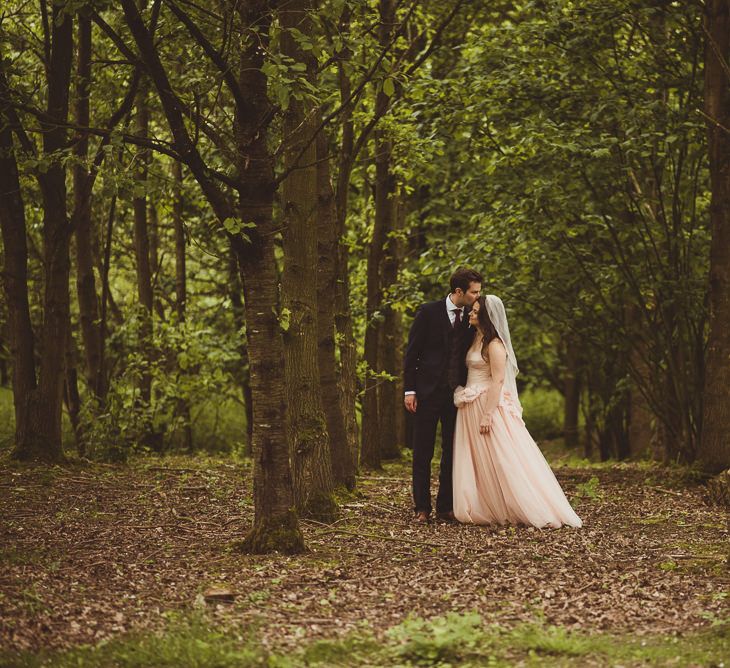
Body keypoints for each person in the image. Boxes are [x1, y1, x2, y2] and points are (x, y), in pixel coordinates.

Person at [452, 295, 582, 528]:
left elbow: (498, 380)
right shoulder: (474, 339)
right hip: (469, 404)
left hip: (486, 405)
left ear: (485, 316)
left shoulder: (495, 344)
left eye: (475, 311)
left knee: (502, 457)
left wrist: (488, 413)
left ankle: (523, 504)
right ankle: (484, 503)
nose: (470, 314)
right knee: (477, 459)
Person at [404, 267, 482, 523]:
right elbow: (412, 354)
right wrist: (410, 390)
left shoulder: (474, 317)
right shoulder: (428, 312)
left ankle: (445, 507)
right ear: (459, 291)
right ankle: (421, 508)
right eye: (473, 292)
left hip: (456, 395)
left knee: (452, 451)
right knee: (422, 452)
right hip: (426, 394)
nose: (477, 296)